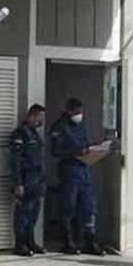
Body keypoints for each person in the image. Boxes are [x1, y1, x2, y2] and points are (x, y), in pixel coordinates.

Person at [50, 98, 105, 255]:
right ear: (69, 111)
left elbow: (85, 144)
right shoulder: (60, 127)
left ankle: (90, 240)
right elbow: (56, 151)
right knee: (68, 207)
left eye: (81, 112)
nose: (79, 115)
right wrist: (74, 152)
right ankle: (68, 241)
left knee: (88, 206)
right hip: (70, 170)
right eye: (76, 112)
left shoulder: (80, 126)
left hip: (84, 170)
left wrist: (92, 151)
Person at [10, 104, 46, 256]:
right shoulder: (20, 134)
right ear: (32, 116)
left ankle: (30, 241)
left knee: (34, 213)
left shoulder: (35, 134)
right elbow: (16, 160)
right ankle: (20, 244)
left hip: (37, 178)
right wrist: (18, 183)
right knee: (23, 213)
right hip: (26, 178)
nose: (41, 120)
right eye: (39, 117)